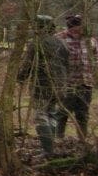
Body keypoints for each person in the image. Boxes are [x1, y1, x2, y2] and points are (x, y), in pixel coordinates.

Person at [18, 15, 69, 158]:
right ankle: (50, 148)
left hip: (42, 86)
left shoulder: (36, 44)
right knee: (52, 115)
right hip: (61, 87)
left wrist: (20, 78)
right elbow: (67, 66)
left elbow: (27, 65)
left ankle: (48, 151)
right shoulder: (62, 43)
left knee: (41, 116)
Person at [55, 13, 98, 143]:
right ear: (71, 28)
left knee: (83, 113)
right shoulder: (60, 39)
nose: (80, 31)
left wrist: (97, 74)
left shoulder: (90, 40)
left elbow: (97, 58)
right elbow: (53, 61)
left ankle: (83, 139)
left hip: (86, 83)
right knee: (63, 112)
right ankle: (58, 138)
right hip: (67, 83)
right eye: (78, 28)